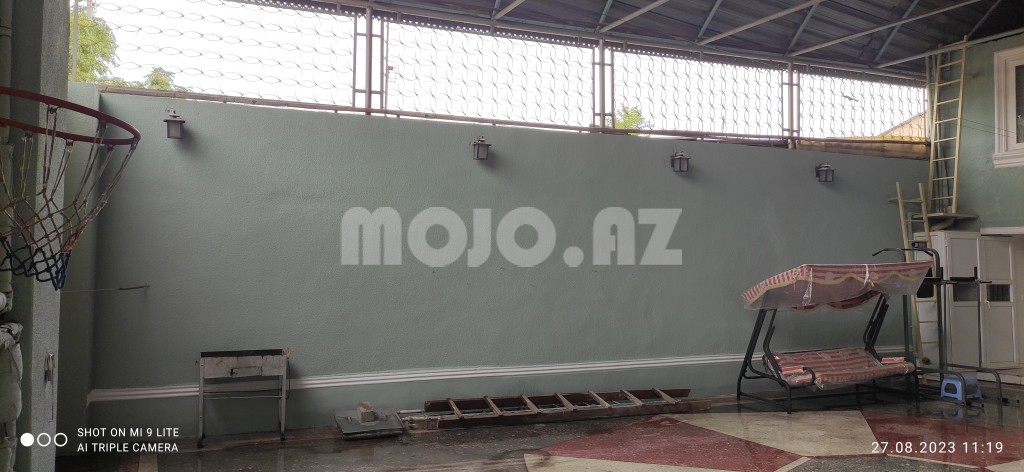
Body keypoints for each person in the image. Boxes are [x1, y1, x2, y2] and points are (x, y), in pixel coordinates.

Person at [0, 321, 21, 472]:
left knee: (7, 441)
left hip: (7, 401)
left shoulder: (10, 330)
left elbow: (13, 331)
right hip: (8, 400)